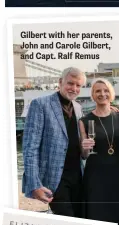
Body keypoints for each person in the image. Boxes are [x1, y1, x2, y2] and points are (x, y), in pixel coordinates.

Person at [22, 67, 86, 217]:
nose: (74, 88)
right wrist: (35, 185)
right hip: (55, 179)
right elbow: (30, 148)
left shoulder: (78, 107)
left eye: (78, 85)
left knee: (80, 221)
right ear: (60, 82)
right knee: (66, 221)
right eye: (70, 83)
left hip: (78, 176)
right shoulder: (40, 104)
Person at [79, 78, 119, 225]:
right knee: (98, 211)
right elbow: (83, 154)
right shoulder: (84, 120)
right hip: (96, 173)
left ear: (111, 94)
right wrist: (85, 146)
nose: (102, 94)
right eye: (98, 91)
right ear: (92, 95)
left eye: (105, 90)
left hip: (117, 170)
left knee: (116, 211)